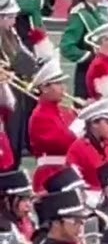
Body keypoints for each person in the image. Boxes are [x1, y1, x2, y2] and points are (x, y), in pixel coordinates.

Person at [26, 59, 78, 194]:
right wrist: (84, 121)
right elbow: (64, 142)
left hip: (65, 171)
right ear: (44, 88)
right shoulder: (40, 116)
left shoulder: (64, 111)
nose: (63, 88)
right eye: (58, 83)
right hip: (49, 174)